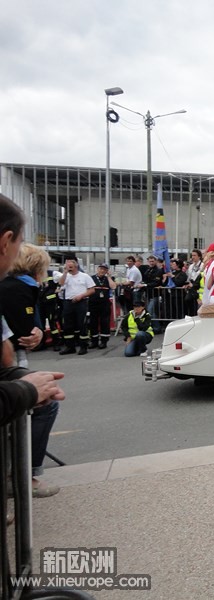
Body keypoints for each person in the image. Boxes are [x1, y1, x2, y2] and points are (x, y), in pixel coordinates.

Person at [0, 195, 66, 497]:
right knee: (42, 407)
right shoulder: (21, 286)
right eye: (20, 241)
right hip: (15, 360)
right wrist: (25, 388)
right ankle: (25, 476)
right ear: (6, 241)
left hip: (16, 360)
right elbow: (12, 341)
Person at [58, 258, 95, 355]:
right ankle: (70, 346)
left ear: (76, 266)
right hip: (68, 302)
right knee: (67, 325)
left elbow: (92, 290)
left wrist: (81, 296)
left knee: (82, 324)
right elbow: (61, 284)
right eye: (67, 266)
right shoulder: (66, 276)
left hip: (81, 302)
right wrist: (65, 272)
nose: (69, 268)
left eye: (71, 266)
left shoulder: (84, 276)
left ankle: (83, 346)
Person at [88, 263, 116, 349]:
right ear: (98, 269)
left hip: (104, 304)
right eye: (101, 269)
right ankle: (94, 341)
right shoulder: (91, 278)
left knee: (105, 322)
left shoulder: (108, 279)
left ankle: (104, 341)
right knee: (93, 322)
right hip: (93, 303)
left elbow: (113, 286)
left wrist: (109, 277)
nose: (102, 271)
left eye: (105, 269)